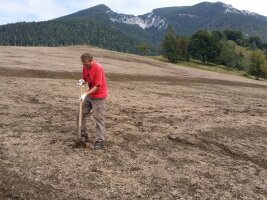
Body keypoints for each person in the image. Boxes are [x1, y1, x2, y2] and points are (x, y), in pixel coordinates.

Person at [77, 53, 108, 150]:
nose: (85, 66)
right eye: (83, 64)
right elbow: (86, 78)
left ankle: (99, 141)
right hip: (90, 94)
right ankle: (83, 136)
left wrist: (85, 94)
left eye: (86, 64)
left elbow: (98, 86)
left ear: (92, 61)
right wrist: (82, 81)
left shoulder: (98, 68)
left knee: (98, 118)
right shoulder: (85, 67)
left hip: (99, 96)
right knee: (80, 114)